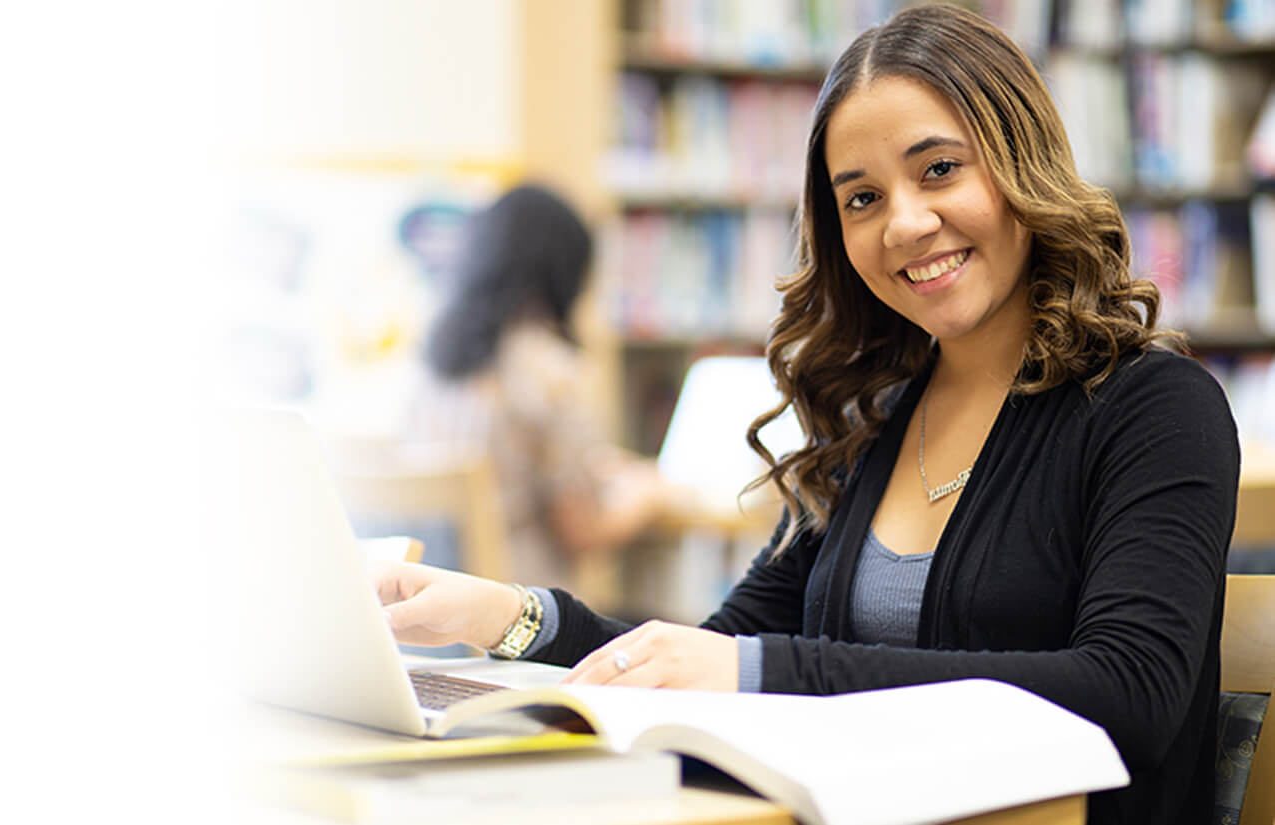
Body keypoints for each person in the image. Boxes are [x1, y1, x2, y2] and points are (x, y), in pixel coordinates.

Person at [370, 6, 1239, 824]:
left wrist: (764, 672)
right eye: (860, 198)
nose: (904, 223)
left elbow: (1130, 692)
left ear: (1022, 163)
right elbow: (704, 652)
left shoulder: (1154, 406)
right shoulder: (880, 422)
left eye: (939, 168)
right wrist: (508, 616)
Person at [401, 182, 674, 591]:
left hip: (427, 614)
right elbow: (581, 529)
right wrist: (649, 498)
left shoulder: (431, 367)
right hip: (516, 619)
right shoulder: (552, 374)